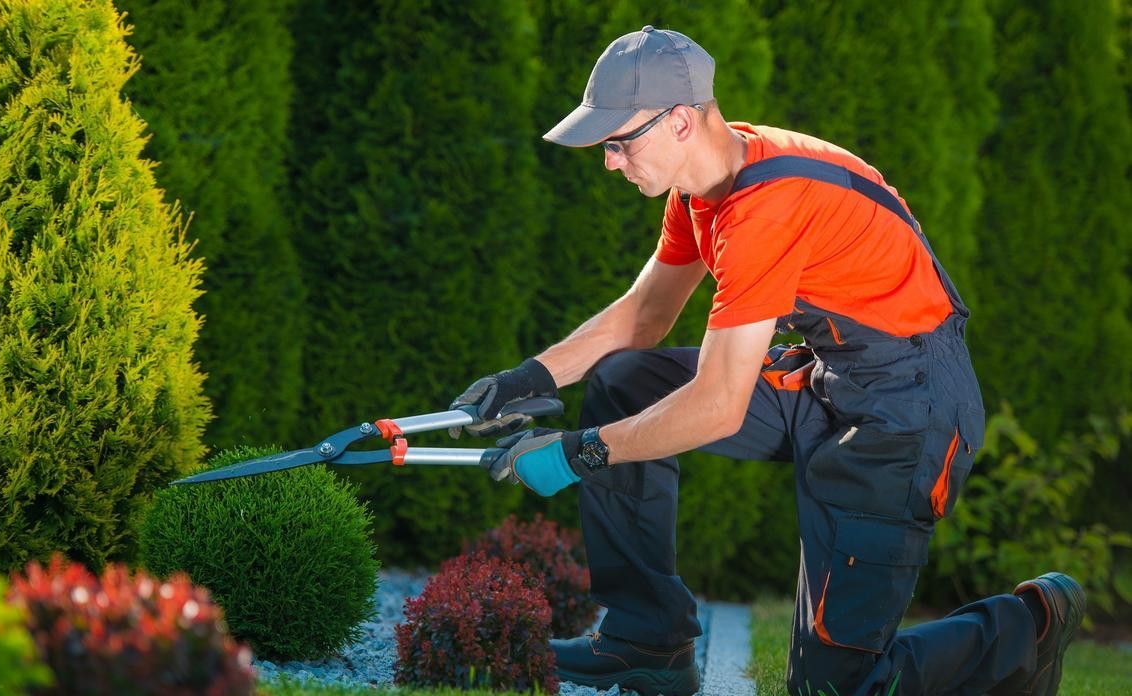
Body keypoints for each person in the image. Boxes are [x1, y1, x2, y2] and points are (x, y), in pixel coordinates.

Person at [449, 25, 1084, 696]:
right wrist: (531, 377)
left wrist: (578, 453)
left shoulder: (766, 207)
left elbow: (717, 406)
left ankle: (1030, 624)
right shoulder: (704, 190)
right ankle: (646, 639)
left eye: (618, 142)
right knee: (625, 381)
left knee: (836, 689)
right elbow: (645, 315)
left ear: (682, 121)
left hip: (908, 411)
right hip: (831, 377)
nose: (609, 161)